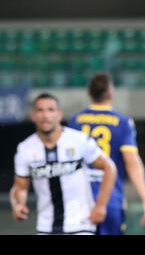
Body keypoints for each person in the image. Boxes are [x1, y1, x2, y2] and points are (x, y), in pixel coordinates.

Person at [10, 93, 117, 234]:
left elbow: (109, 168)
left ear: (59, 114)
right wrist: (18, 205)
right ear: (33, 115)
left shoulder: (79, 140)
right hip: (46, 227)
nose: (45, 115)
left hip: (81, 225)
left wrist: (101, 205)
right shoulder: (25, 149)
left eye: (50, 110)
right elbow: (20, 187)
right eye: (40, 110)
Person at [68, 72, 145, 235]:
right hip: (110, 199)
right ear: (111, 93)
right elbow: (132, 163)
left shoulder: (75, 121)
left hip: (78, 200)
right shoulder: (122, 122)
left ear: (88, 92)